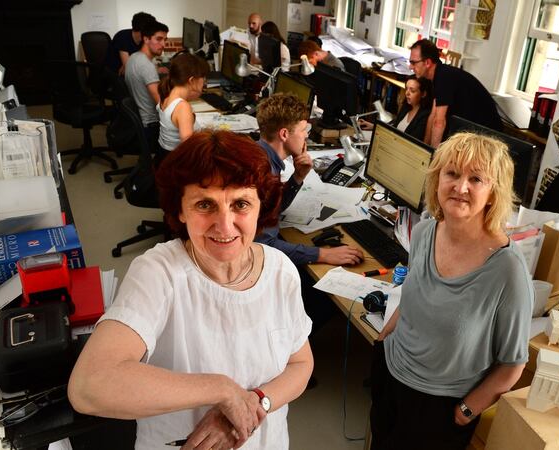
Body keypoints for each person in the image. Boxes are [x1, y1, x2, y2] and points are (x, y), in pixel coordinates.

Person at [68, 130, 314, 450]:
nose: (224, 226)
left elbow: (301, 364)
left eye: (240, 203)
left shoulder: (281, 271)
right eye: (204, 204)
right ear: (181, 210)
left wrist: (254, 404)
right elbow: (90, 386)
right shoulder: (159, 274)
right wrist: (222, 390)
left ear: (260, 206)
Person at [370, 132, 533, 450]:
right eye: (452, 174)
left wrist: (469, 409)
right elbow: (413, 293)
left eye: (476, 178)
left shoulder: (507, 270)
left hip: (441, 406)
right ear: (437, 179)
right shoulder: (424, 231)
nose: (461, 187)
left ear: (493, 192)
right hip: (391, 374)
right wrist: (384, 338)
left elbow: (513, 363)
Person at [255, 93, 363, 354]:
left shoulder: (261, 155)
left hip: (251, 256)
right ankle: (286, 354)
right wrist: (322, 253)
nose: (306, 137)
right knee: (326, 295)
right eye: (303, 130)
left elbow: (270, 213)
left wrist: (298, 178)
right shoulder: (264, 171)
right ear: (284, 134)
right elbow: (265, 244)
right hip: (256, 265)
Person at [408, 39, 502, 147]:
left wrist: (433, 156)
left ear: (427, 63)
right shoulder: (437, 76)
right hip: (471, 133)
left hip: (488, 137)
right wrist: (424, 146)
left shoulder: (444, 77)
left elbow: (439, 123)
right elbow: (433, 116)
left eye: (413, 62)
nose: (410, 67)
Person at [125, 20, 169, 150]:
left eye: (165, 40)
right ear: (146, 39)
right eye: (159, 39)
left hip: (140, 119)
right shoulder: (146, 66)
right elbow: (162, 105)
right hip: (151, 125)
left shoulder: (134, 57)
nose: (163, 44)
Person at [156, 53, 209, 160]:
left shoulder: (167, 94)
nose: (204, 81)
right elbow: (188, 148)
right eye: (203, 77)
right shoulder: (182, 107)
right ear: (191, 80)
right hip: (176, 162)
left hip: (164, 156)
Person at [359, 77, 433, 142]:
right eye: (406, 89)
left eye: (412, 91)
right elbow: (394, 127)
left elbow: (411, 141)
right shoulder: (406, 107)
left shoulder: (425, 116)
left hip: (398, 148)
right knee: (358, 135)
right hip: (390, 140)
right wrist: (373, 126)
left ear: (423, 94)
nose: (407, 93)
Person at [105, 12, 156, 76]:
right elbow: (129, 69)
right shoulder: (122, 37)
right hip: (114, 74)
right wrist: (128, 66)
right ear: (142, 30)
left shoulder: (144, 40)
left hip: (128, 72)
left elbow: (147, 60)